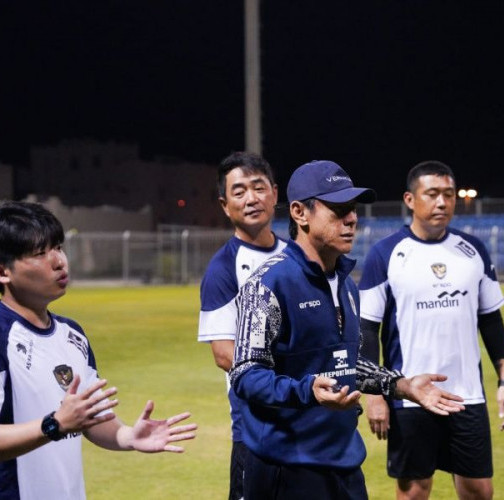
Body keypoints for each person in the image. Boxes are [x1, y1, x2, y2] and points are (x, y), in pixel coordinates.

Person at [230, 160, 466, 500]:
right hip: (285, 467)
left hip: (344, 462)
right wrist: (307, 390)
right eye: (338, 209)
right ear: (300, 213)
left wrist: (398, 384)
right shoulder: (267, 284)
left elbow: (345, 364)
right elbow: (245, 374)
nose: (351, 218)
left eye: (352, 209)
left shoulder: (346, 286)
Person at [0, 201, 197, 500]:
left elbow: (91, 420)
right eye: (40, 254)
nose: (59, 262)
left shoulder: (72, 335)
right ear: (4, 271)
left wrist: (127, 435)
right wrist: (54, 424)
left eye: (58, 248)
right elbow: (61, 422)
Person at [358, 160, 504, 500]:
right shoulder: (384, 254)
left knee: (479, 491)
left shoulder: (473, 250)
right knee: (414, 490)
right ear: (410, 199)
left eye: (448, 194)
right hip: (410, 393)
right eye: (432, 194)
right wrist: (374, 395)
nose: (442, 202)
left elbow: (490, 319)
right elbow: (367, 330)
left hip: (467, 394)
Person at [197, 151, 286, 499]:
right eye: (239, 191)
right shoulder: (223, 268)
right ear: (225, 204)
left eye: (258, 187)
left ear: (275, 195)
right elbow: (224, 354)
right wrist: (292, 383)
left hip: (306, 420)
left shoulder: (296, 255)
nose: (251, 198)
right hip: (256, 428)